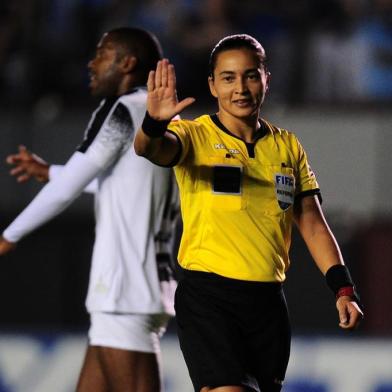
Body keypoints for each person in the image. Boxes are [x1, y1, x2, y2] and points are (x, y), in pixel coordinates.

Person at [133, 34, 364, 392]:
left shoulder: (287, 146)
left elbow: (313, 223)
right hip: (209, 299)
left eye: (250, 75)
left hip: (267, 306)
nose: (240, 87)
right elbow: (152, 149)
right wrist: (153, 124)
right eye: (228, 77)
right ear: (212, 84)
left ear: (265, 79)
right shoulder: (194, 136)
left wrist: (343, 289)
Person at [0, 27, 178, 392]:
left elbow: (68, 189)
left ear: (126, 62)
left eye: (102, 53)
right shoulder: (164, 119)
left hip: (122, 288)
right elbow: (122, 184)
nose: (91, 63)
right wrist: (49, 171)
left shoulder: (121, 110)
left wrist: (8, 234)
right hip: (142, 285)